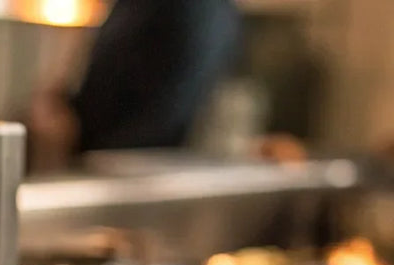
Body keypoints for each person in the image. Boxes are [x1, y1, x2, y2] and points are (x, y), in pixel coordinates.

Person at [27, 0, 242, 172]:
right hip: (102, 163)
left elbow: (166, 117)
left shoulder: (197, 9)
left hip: (134, 174)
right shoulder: (131, 6)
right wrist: (61, 105)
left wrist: (75, 136)